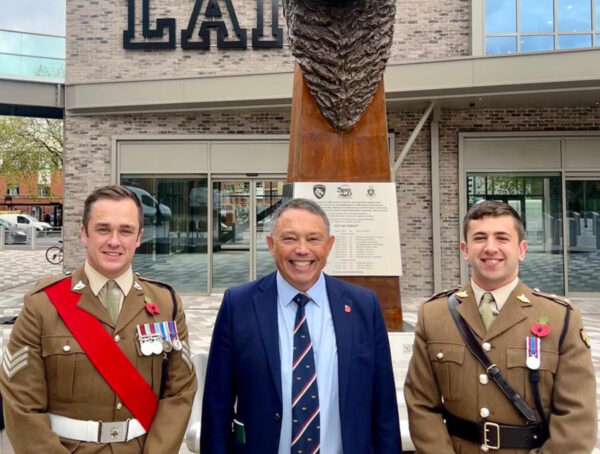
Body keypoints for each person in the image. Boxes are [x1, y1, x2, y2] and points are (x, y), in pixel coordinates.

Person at [0, 185, 198, 453]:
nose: (114, 241)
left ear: (139, 237)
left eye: (125, 231)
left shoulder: (165, 303)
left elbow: (179, 393)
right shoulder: (42, 304)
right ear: (84, 233)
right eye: (103, 229)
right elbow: (21, 404)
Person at [201, 198, 402, 454]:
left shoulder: (363, 306)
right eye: (289, 239)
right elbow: (217, 407)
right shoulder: (238, 305)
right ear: (271, 245)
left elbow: (384, 407)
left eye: (313, 239)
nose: (302, 250)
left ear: (329, 246)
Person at [404, 200, 597, 453]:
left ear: (522, 249)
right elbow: (421, 404)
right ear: (465, 249)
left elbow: (577, 418)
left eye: (502, 238)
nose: (490, 248)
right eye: (480, 238)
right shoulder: (434, 314)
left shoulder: (561, 318)